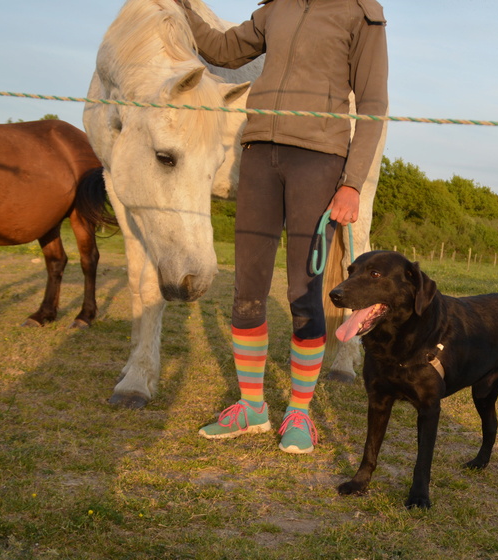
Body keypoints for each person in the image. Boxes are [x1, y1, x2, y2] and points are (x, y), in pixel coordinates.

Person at [177, 0, 388, 454]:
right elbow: (222, 49)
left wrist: (351, 184)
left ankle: (299, 413)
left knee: (303, 292)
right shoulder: (277, 8)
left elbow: (373, 104)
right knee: (247, 288)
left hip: (319, 160)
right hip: (258, 156)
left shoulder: (362, 12)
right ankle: (251, 408)